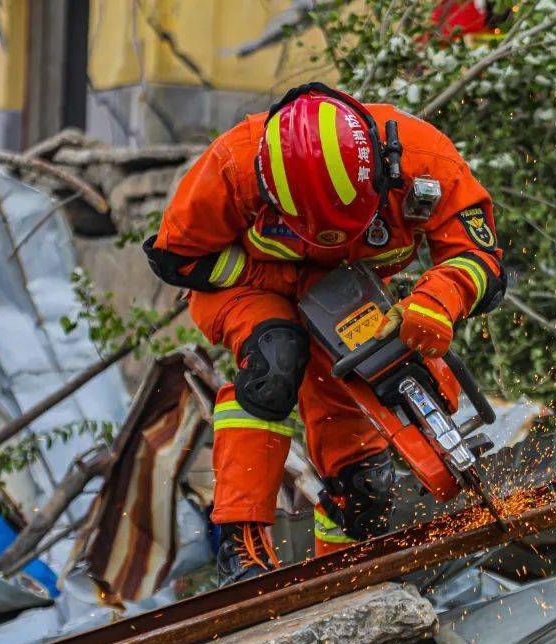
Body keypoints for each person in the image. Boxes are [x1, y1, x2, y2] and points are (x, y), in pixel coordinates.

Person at [143, 83, 505, 585]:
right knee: (276, 357)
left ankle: (343, 573)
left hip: (347, 299)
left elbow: (482, 256)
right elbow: (174, 256)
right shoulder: (234, 164)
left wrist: (437, 300)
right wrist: (293, 282)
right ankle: (241, 545)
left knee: (362, 465)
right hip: (249, 289)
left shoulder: (424, 159)